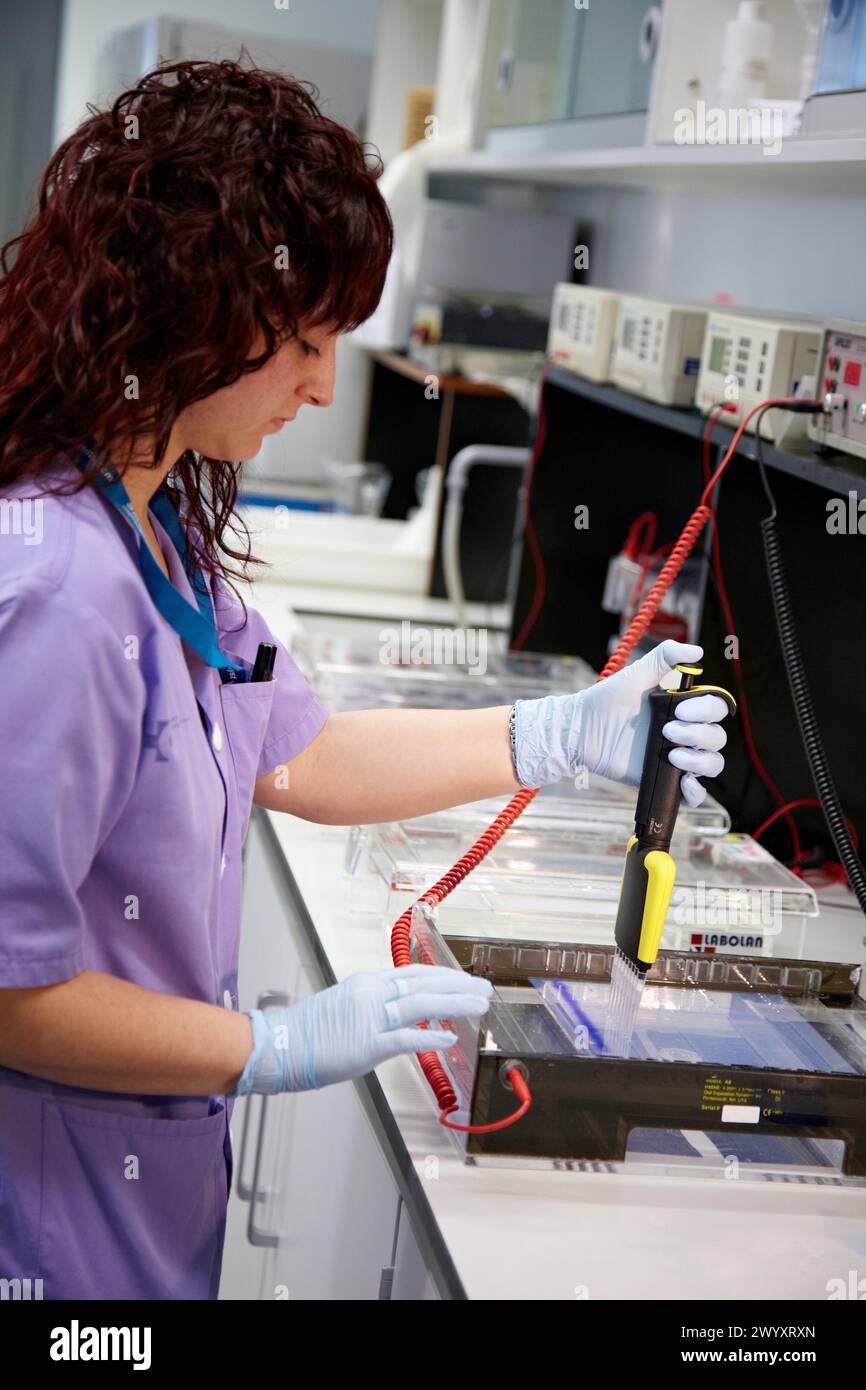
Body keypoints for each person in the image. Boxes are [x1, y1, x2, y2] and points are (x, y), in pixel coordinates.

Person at [0, 59, 730, 1300]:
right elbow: (10, 993)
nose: (326, 385)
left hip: (132, 1211)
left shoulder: (148, 525)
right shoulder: (58, 586)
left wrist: (555, 733)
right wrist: (273, 1044)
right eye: (301, 339)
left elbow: (301, 752)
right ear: (188, 302)